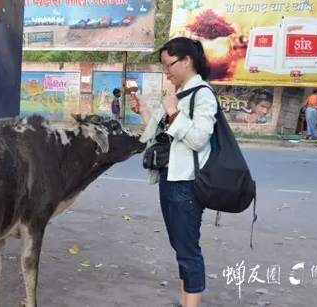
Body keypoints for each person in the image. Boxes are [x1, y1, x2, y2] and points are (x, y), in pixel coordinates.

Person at [130, 37, 217, 307]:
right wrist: (145, 110)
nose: (166, 71)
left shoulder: (202, 94)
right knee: (179, 246)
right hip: (168, 179)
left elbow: (198, 139)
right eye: (164, 66)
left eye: (169, 65)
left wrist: (174, 113)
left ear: (187, 61)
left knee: (188, 250)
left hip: (187, 184)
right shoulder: (177, 95)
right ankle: (184, 302)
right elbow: (159, 138)